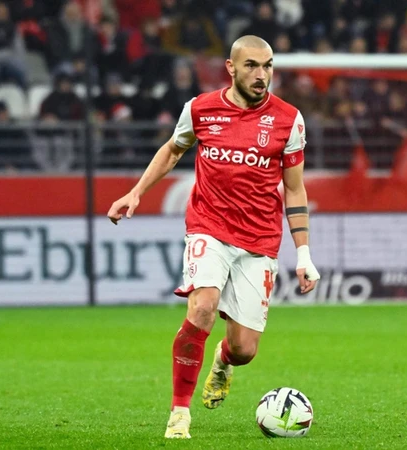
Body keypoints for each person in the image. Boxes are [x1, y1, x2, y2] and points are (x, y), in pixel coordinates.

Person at [107, 35, 320, 439]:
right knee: (203, 305)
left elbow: (294, 189)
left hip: (259, 240)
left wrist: (304, 253)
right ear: (231, 68)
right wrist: (136, 192)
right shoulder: (200, 109)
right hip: (209, 227)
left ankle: (222, 359)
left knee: (244, 350)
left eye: (268, 66)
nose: (261, 75)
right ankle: (179, 413)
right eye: (252, 65)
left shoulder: (289, 119)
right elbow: (173, 149)